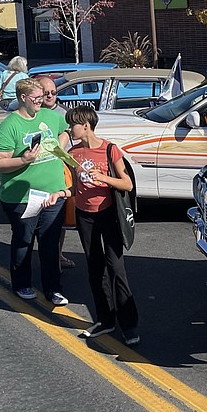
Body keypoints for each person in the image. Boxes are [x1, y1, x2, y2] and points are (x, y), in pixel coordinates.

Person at [0, 78, 70, 304]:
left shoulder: (50, 116)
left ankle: (53, 289)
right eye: (36, 98)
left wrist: (58, 147)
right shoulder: (10, 125)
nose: (40, 101)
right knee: (24, 241)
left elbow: (66, 130)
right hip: (22, 197)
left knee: (50, 243)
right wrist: (23, 159)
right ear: (23, 98)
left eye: (42, 97)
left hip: (53, 193)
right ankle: (22, 284)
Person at [65, 105, 140, 344]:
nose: (70, 129)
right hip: (84, 215)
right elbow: (76, 187)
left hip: (108, 214)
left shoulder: (110, 150)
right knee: (94, 269)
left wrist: (104, 178)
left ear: (86, 125)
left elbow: (126, 184)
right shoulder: (74, 153)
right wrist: (60, 193)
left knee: (115, 268)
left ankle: (129, 325)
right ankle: (105, 320)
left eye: (73, 125)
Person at [36, 75, 76, 269]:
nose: (51, 96)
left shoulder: (65, 114)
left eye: (53, 92)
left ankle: (57, 256)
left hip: (60, 172)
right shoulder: (31, 114)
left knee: (58, 219)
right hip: (36, 174)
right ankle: (45, 259)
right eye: (46, 93)